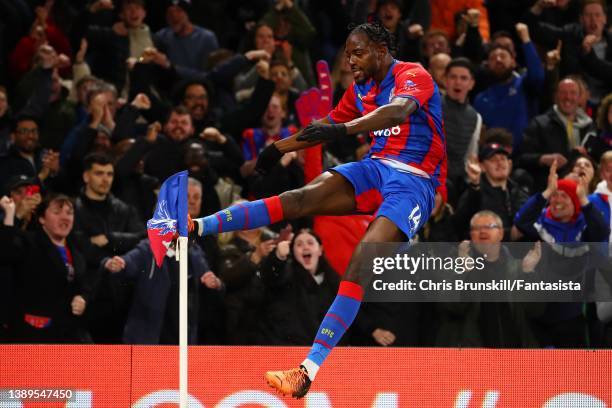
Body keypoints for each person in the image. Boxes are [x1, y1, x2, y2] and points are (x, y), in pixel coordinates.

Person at [189, 22, 446, 398]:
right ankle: (196, 227)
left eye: (357, 52)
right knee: (300, 199)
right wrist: (279, 148)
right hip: (374, 167)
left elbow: (395, 114)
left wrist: (343, 132)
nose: (350, 60)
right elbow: (325, 125)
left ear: (379, 49)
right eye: (346, 54)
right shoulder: (360, 89)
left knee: (364, 256)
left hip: (415, 182)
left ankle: (307, 370)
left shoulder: (412, 74)